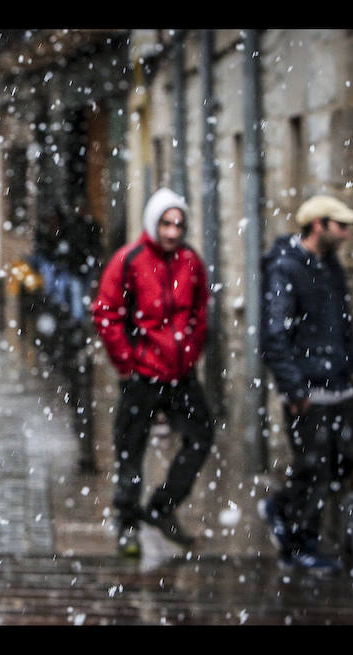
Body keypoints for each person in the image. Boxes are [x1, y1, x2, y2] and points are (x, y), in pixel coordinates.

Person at [259, 194, 353, 575]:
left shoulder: (330, 268)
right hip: (309, 390)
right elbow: (274, 335)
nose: (346, 234)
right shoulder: (285, 268)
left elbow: (341, 323)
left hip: (338, 383)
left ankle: (281, 508)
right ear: (318, 225)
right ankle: (298, 545)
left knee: (342, 462)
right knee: (315, 470)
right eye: (340, 226)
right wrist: (294, 389)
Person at [92, 188, 214, 557]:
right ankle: (127, 524)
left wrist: (189, 350)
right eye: (166, 223)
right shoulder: (129, 260)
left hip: (180, 375)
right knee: (131, 449)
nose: (173, 231)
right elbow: (106, 312)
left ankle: (162, 507)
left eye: (179, 223)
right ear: (153, 223)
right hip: (143, 376)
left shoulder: (191, 262)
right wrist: (128, 362)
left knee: (201, 436)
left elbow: (200, 310)